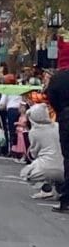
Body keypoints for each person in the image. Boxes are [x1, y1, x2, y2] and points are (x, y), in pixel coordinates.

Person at [45, 66, 69, 213]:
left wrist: (61, 112)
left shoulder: (59, 78)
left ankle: (66, 200)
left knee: (68, 157)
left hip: (66, 116)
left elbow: (51, 96)